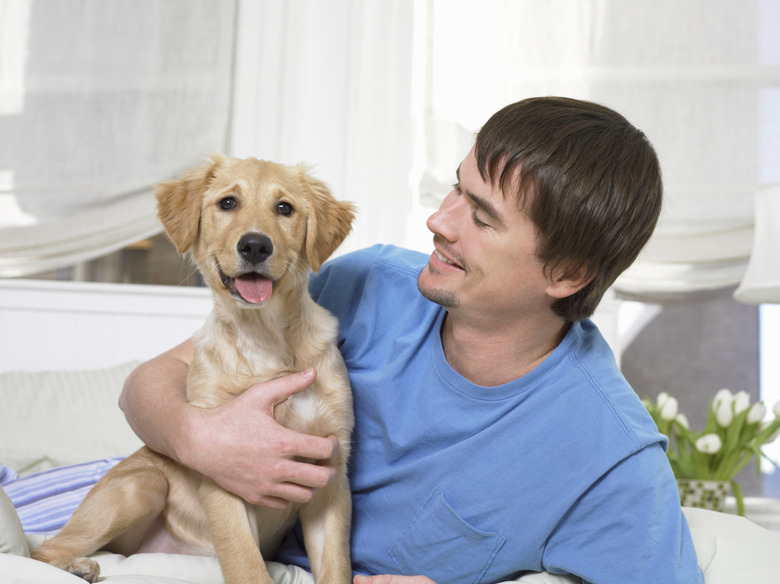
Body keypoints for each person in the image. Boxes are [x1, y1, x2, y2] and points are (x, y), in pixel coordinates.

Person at [120, 97, 703, 583]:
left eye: (481, 217)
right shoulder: (366, 283)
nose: (439, 221)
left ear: (567, 273)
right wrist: (200, 439)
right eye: (456, 189)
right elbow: (148, 385)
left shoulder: (611, 456)